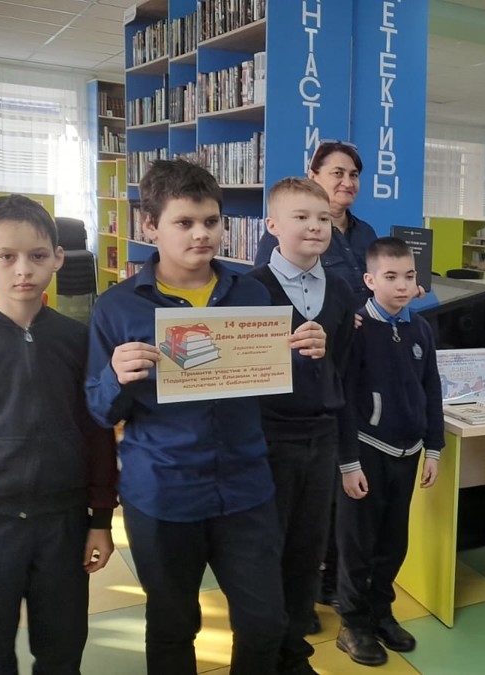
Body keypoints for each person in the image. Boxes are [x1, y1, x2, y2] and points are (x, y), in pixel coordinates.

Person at [86, 159, 328, 674]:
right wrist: (115, 376)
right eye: (184, 222)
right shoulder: (118, 307)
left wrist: (304, 352)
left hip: (245, 487)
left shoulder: (252, 294)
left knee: (264, 623)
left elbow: (269, 383)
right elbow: (100, 410)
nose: (202, 234)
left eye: (211, 221)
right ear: (150, 225)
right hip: (164, 490)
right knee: (173, 625)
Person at [0, 195, 117, 674]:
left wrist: (100, 519)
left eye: (37, 255)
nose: (24, 270)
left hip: (62, 524)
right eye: (7, 257)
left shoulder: (78, 341)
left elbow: (98, 434)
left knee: (62, 651)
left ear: (58, 258)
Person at [249, 177, 360, 673]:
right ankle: (261, 655)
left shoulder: (341, 290)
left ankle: (294, 654)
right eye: (301, 217)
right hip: (265, 440)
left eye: (323, 218)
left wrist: (347, 454)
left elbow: (346, 372)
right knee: (262, 554)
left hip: (321, 439)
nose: (315, 227)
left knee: (307, 553)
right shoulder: (249, 289)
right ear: (272, 225)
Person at [334, 237, 443, 667]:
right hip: (366, 452)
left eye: (409, 277)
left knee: (393, 542)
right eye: (391, 277)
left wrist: (434, 448)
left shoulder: (421, 329)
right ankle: (353, 623)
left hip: (408, 451)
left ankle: (381, 613)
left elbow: (431, 389)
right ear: (369, 280)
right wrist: (348, 462)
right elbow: (343, 398)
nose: (402, 286)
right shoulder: (357, 330)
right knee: (357, 544)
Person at [255, 141, 377, 299]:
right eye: (338, 173)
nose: (348, 183)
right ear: (313, 176)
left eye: (353, 175)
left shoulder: (366, 232)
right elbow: (261, 290)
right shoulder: (285, 234)